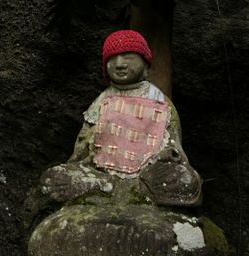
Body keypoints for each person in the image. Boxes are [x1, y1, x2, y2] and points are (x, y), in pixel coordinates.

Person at [48, 29, 203, 210]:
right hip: (103, 172)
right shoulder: (102, 102)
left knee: (186, 180)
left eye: (128, 57)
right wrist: (86, 156)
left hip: (147, 176)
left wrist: (167, 153)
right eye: (112, 59)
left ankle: (115, 192)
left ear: (145, 65)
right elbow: (84, 144)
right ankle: (106, 188)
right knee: (56, 177)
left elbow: (174, 145)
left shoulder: (160, 102)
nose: (120, 64)